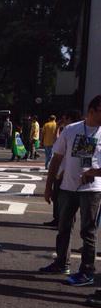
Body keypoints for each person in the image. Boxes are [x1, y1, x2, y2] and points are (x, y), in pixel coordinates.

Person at [40, 95, 101, 286]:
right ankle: (61, 263)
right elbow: (56, 159)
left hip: (92, 189)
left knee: (88, 231)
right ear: (92, 111)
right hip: (67, 187)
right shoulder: (71, 130)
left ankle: (87, 271)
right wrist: (49, 187)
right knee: (64, 227)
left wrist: (95, 171)